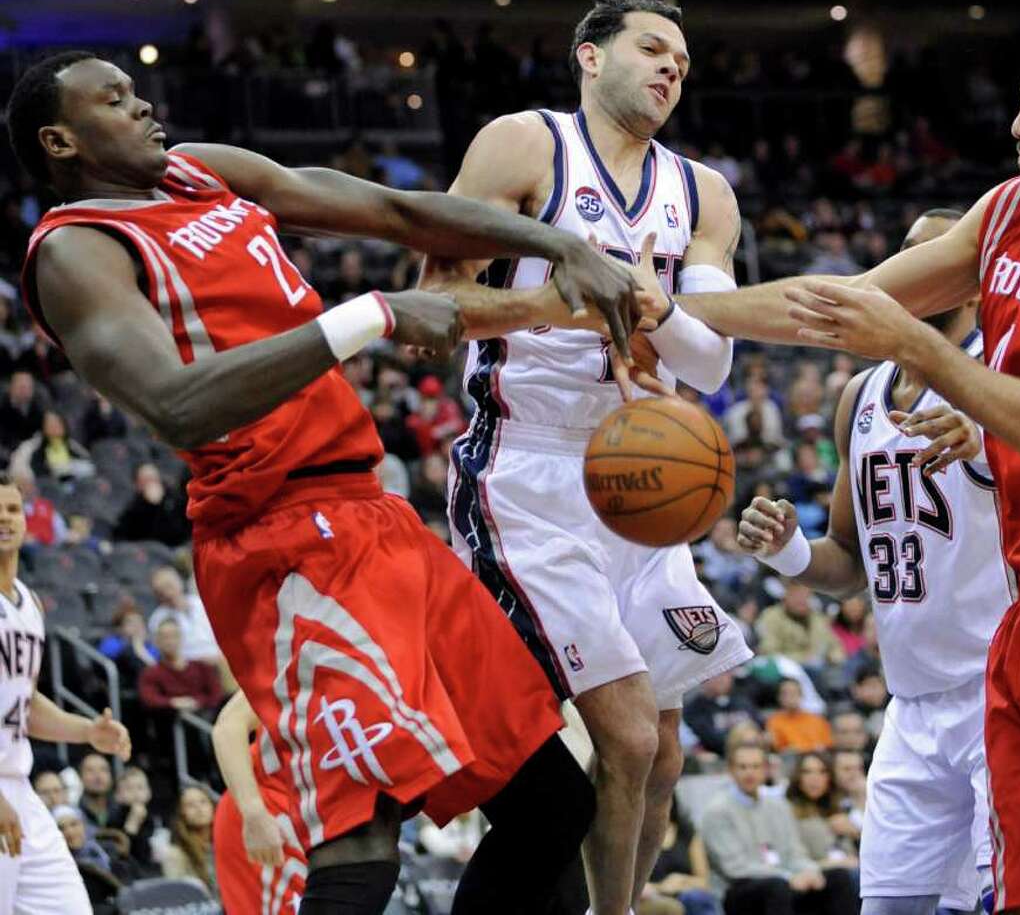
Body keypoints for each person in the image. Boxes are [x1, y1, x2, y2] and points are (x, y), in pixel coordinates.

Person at [8, 50, 624, 914]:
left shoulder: (201, 170)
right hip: (282, 544)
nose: (145, 106)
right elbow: (176, 406)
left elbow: (394, 208)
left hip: (374, 516)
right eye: (115, 100)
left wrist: (560, 241)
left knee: (554, 805)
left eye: (138, 90)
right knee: (361, 841)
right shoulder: (76, 250)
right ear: (60, 140)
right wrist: (370, 315)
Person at [723, 14, 1020, 913]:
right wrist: (667, 311)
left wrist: (929, 352)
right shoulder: (1009, 212)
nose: (1014, 122)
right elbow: (834, 303)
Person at [421, 0, 752, 914]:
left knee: (665, 753)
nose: (670, 68)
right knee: (630, 736)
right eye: (652, 49)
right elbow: (433, 306)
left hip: (646, 467)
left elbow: (712, 361)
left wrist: (659, 309)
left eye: (682, 61)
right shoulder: (523, 145)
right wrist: (574, 298)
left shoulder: (705, 193)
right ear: (588, 57)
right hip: (527, 466)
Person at [737, 208, 1012, 915]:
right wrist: (788, 549)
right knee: (888, 907)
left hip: (999, 692)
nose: (914, 273)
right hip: (912, 705)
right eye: (907, 256)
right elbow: (849, 560)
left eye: (937, 258)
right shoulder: (859, 397)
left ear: (974, 282)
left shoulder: (1003, 373)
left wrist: (993, 445)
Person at [0, 470, 132, 915]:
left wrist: (86, 732)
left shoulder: (28, 602)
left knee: (71, 907)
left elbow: (25, 700)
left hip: (19, 787)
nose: (5, 518)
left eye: (13, 509)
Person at [698, 741, 859, 915]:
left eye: (755, 766)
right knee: (777, 887)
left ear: (765, 770)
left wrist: (810, 872)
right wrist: (788, 877)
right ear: (730, 770)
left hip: (782, 881)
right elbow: (736, 868)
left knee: (838, 877)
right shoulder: (717, 811)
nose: (749, 773)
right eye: (743, 767)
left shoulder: (778, 806)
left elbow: (795, 853)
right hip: (739, 889)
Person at [211, 690, 307, 915]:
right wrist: (254, 813)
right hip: (270, 811)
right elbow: (229, 727)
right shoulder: (302, 658)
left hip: (322, 814)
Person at [162, 785, 217, 893]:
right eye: (190, 805)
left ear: (212, 806)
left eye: (203, 802)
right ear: (182, 813)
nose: (198, 808)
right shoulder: (175, 854)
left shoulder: (225, 844)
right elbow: (177, 894)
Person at [765, 678, 833, 755]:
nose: (790, 697)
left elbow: (827, 745)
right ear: (779, 697)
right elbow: (778, 749)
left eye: (794, 693)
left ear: (801, 695)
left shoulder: (817, 720)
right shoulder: (774, 721)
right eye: (785, 693)